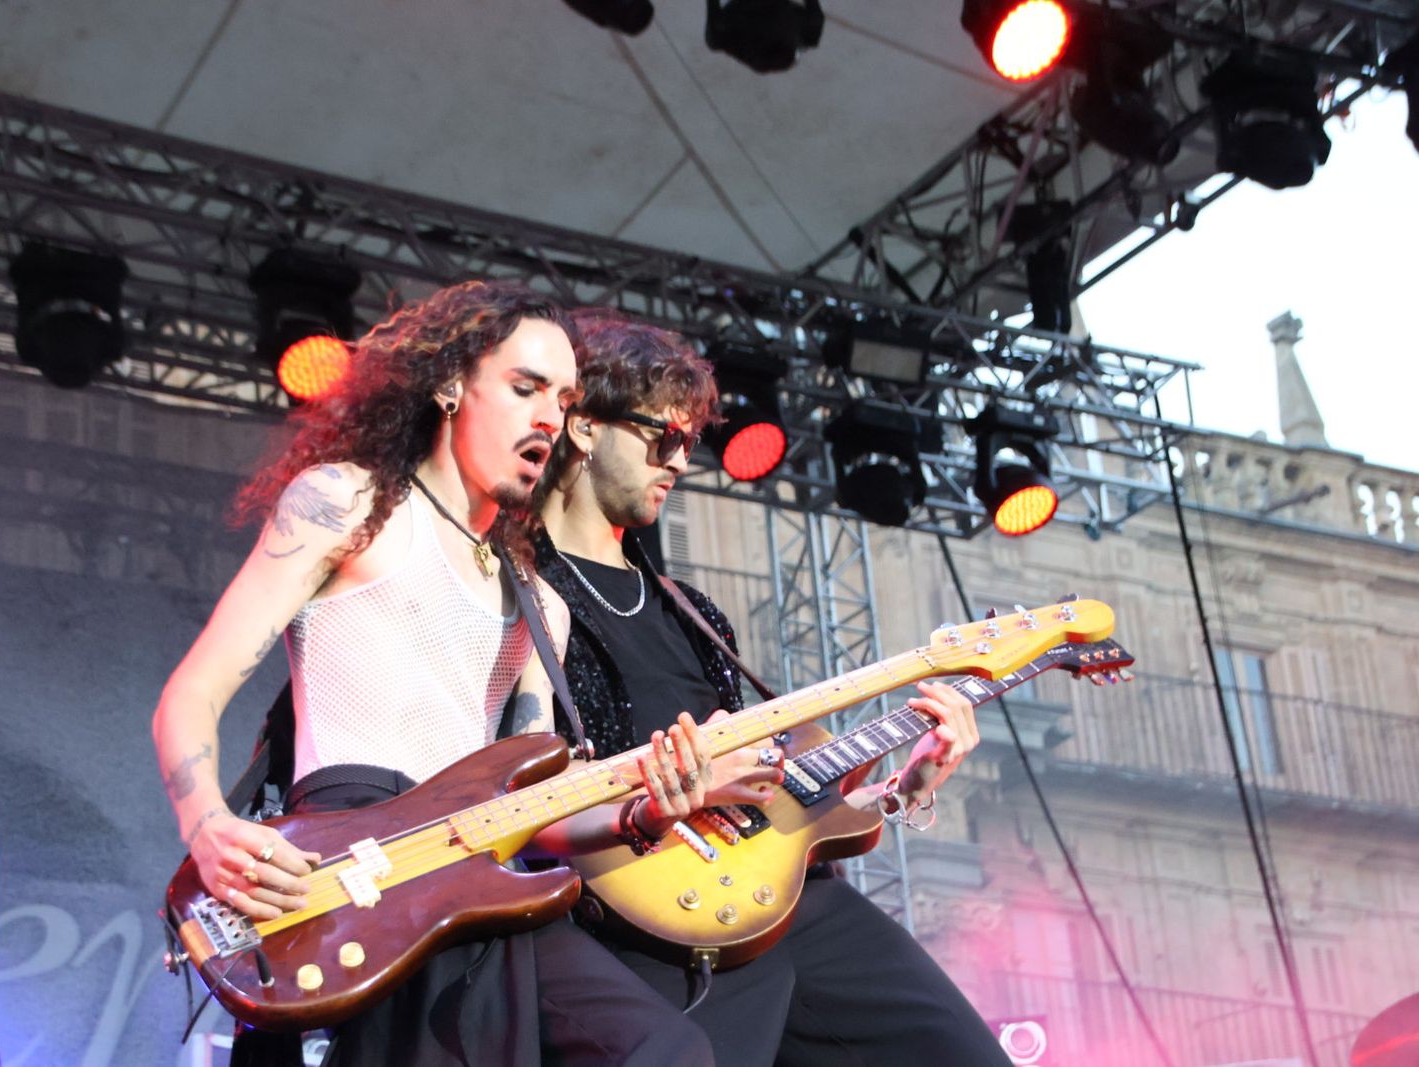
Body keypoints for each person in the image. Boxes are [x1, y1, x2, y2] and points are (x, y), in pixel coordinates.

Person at [151, 280, 716, 1066]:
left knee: (663, 1049)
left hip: (478, 873)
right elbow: (195, 688)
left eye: (563, 398)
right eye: (525, 389)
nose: (548, 417)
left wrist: (646, 809)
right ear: (452, 383)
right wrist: (208, 826)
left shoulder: (539, 605)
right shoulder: (349, 503)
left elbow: (542, 813)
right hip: (351, 861)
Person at [534, 310, 1014, 1066]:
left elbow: (781, 787)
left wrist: (904, 783)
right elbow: (514, 780)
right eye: (663, 436)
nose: (680, 461)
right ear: (586, 426)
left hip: (795, 904)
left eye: (690, 442)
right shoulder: (520, 591)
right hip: (645, 913)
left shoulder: (692, 610)